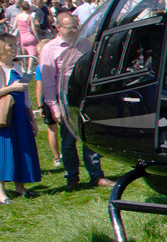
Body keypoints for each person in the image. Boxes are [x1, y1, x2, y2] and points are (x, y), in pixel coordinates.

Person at [38, 12, 113, 191]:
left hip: (84, 97)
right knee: (68, 142)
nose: (73, 31)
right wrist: (54, 107)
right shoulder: (49, 49)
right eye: (69, 28)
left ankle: (96, 175)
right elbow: (48, 81)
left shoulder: (83, 43)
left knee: (90, 138)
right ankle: (72, 177)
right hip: (65, 99)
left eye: (75, 27)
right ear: (58, 28)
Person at [0, 34, 42, 201]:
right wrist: (12, 88)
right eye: (10, 45)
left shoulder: (17, 67)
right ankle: (1, 191)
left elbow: (26, 97)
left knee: (21, 149)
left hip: (20, 114)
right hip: (6, 116)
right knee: (5, 150)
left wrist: (32, 119)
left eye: (15, 44)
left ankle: (20, 187)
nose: (15, 47)